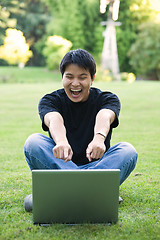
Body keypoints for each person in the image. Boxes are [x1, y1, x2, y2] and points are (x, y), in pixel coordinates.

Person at [24, 49, 138, 212]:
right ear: (62, 77)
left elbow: (104, 115)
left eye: (82, 77)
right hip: (60, 166)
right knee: (33, 142)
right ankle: (97, 191)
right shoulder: (50, 100)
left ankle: (63, 193)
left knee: (128, 150)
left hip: (99, 167)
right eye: (69, 77)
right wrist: (61, 141)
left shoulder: (107, 98)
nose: (75, 83)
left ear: (92, 78)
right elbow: (54, 119)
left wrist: (99, 138)